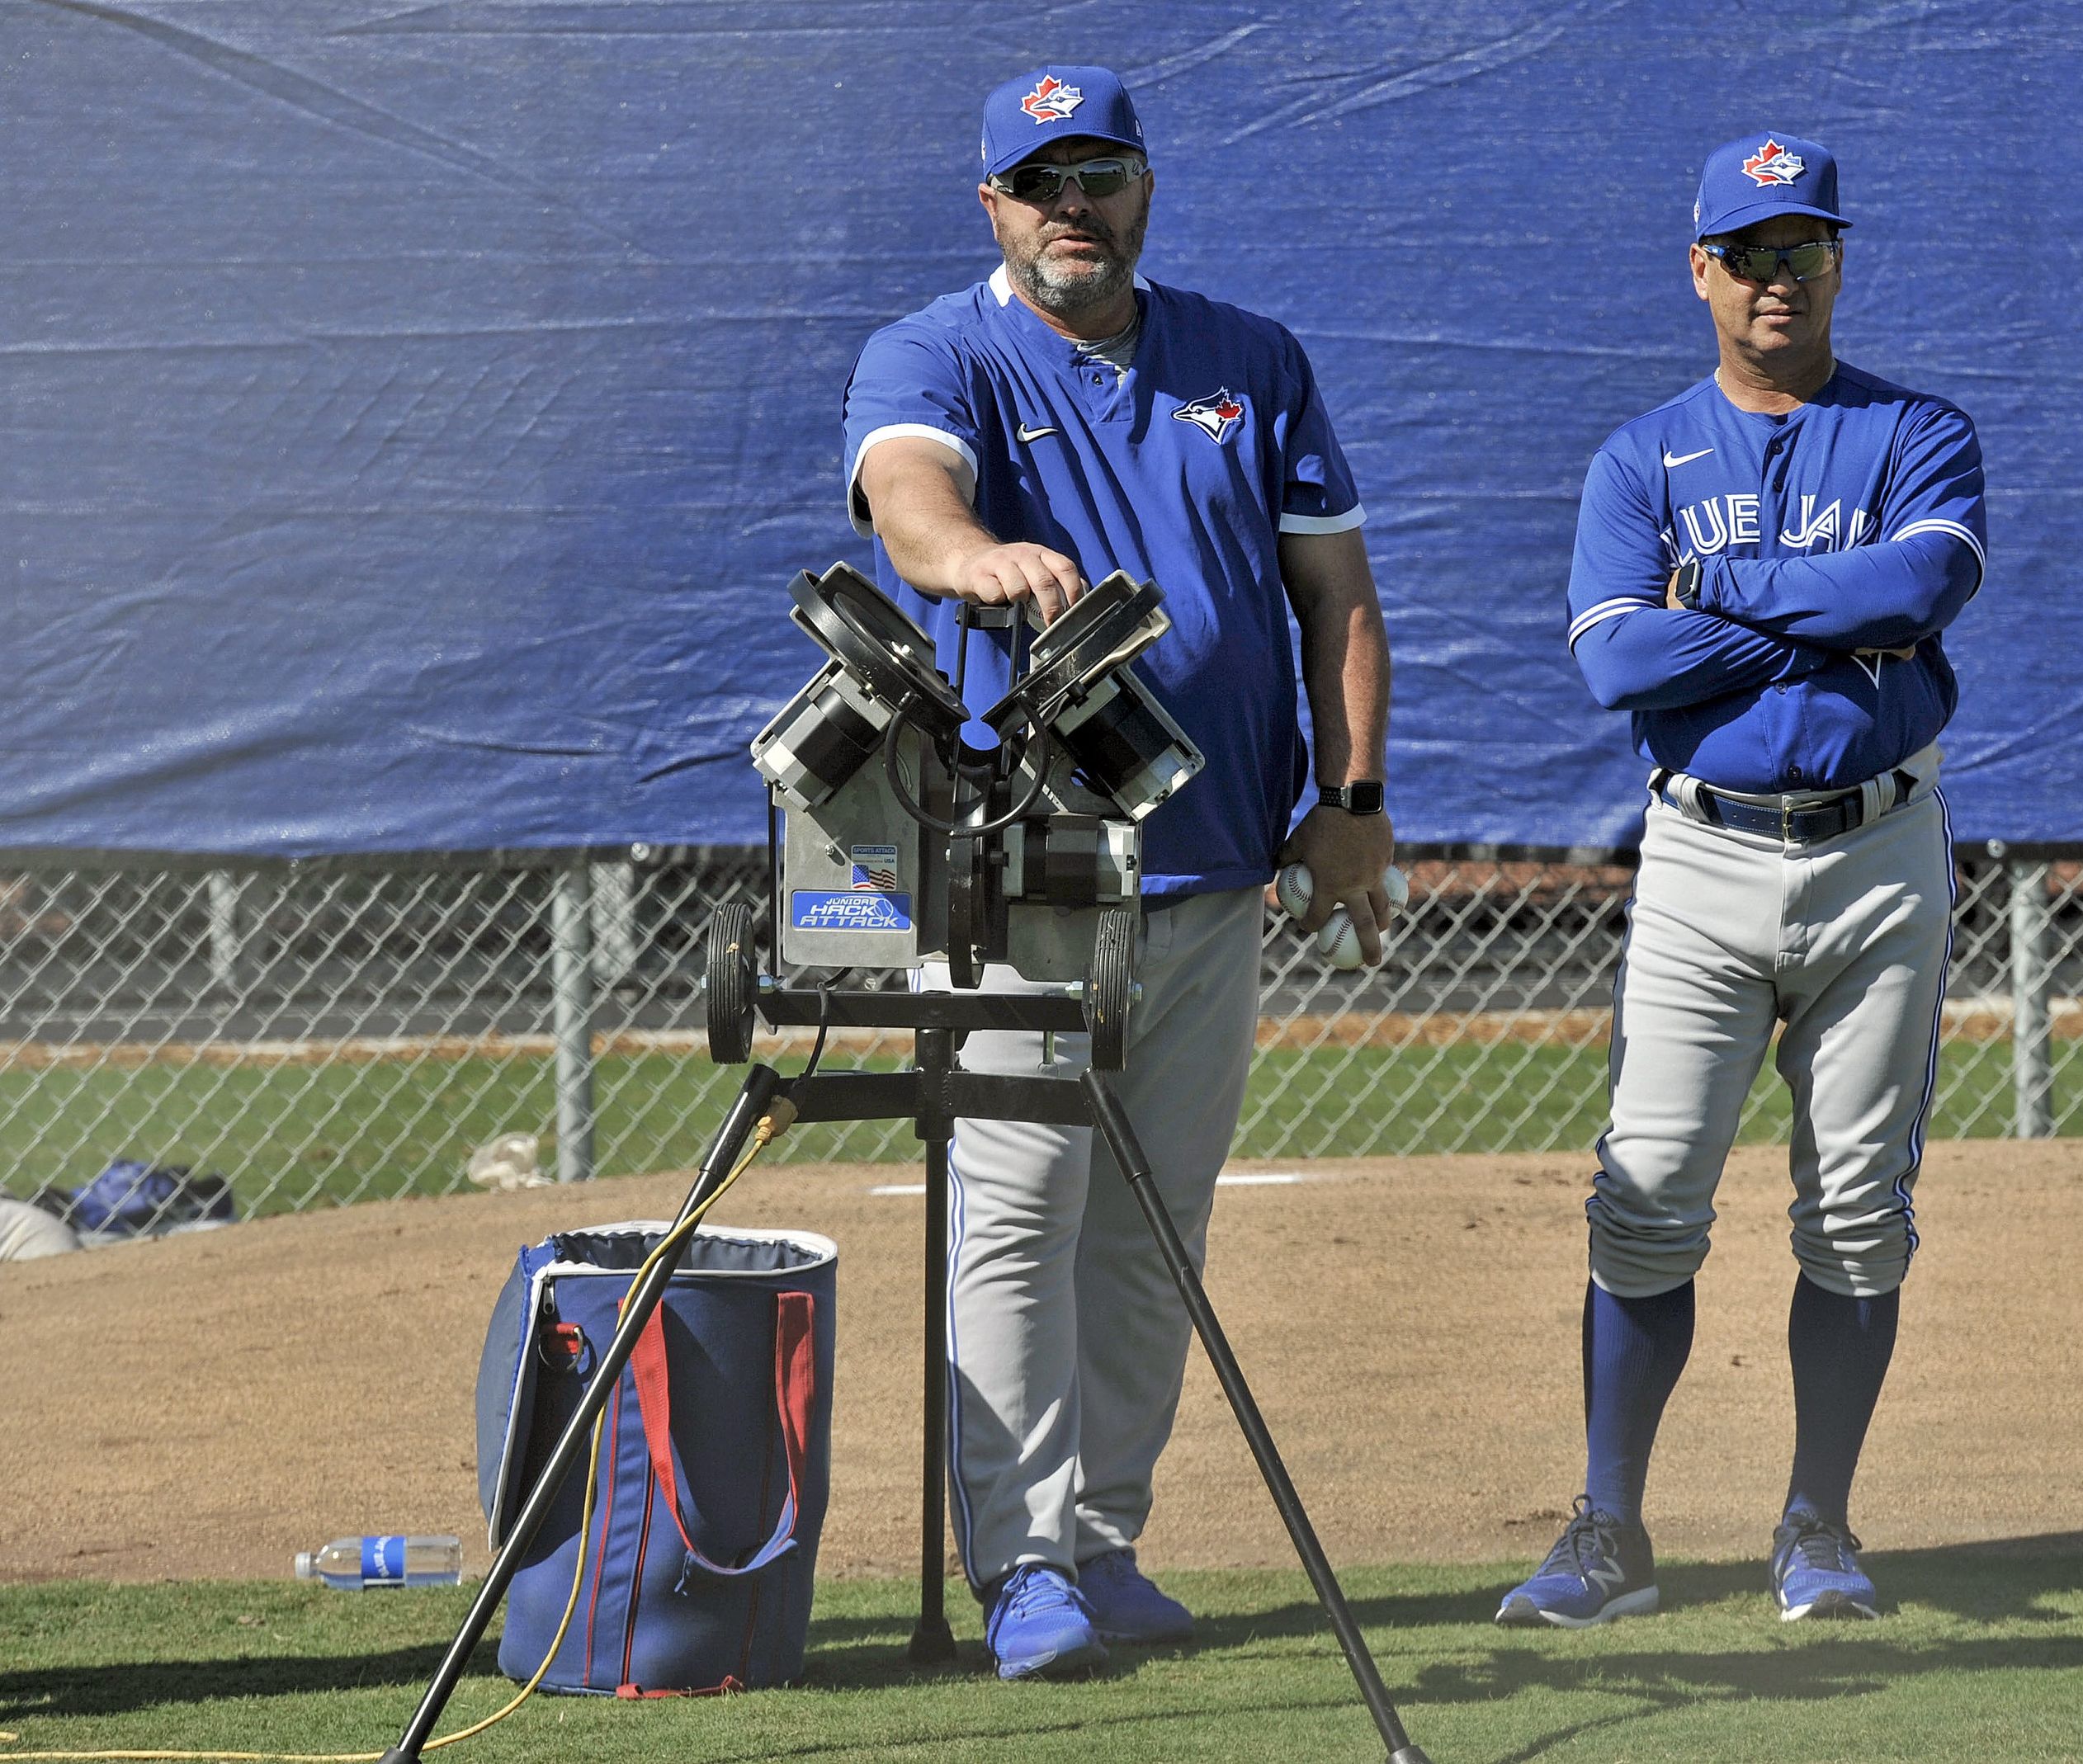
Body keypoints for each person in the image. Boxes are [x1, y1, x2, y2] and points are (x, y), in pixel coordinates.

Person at [839, 64, 1394, 1679]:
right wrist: (976, 559)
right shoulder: (940, 348)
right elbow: (907, 499)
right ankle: (1021, 1566)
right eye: (1038, 183)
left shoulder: (1250, 361)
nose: (1069, 207)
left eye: (1098, 176)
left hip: (1219, 864)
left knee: (1157, 1226)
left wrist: (1351, 795)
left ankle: (1103, 1539)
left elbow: (1337, 595)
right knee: (1018, 1212)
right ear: (992, 207)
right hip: (1020, 864)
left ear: (1144, 187)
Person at [1497, 132, 1986, 1628]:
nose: (1781, 278)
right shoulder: (1640, 457)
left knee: (1854, 1212)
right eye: (1751, 253)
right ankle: (1609, 1531)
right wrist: (1823, 626)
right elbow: (1615, 659)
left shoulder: (1918, 431)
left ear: (1839, 261)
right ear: (1701, 271)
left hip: (1879, 852)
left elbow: (1923, 584)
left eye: (1807, 248)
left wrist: (1723, 594)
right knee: (1643, 1202)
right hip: (1702, 855)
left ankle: (1818, 1527)